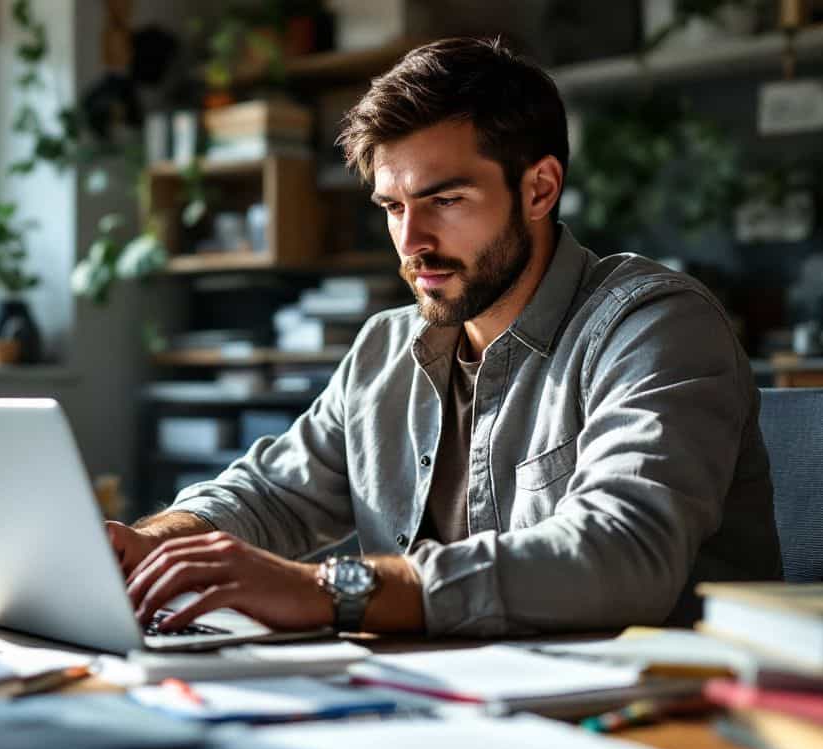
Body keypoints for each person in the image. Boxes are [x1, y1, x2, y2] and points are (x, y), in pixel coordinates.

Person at [108, 37, 781, 638]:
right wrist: (151, 547)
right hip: (445, 705)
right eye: (393, 207)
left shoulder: (655, 326)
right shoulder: (384, 350)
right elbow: (270, 494)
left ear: (540, 188)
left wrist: (330, 591)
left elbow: (621, 554)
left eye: (446, 200)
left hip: (651, 720)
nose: (412, 242)